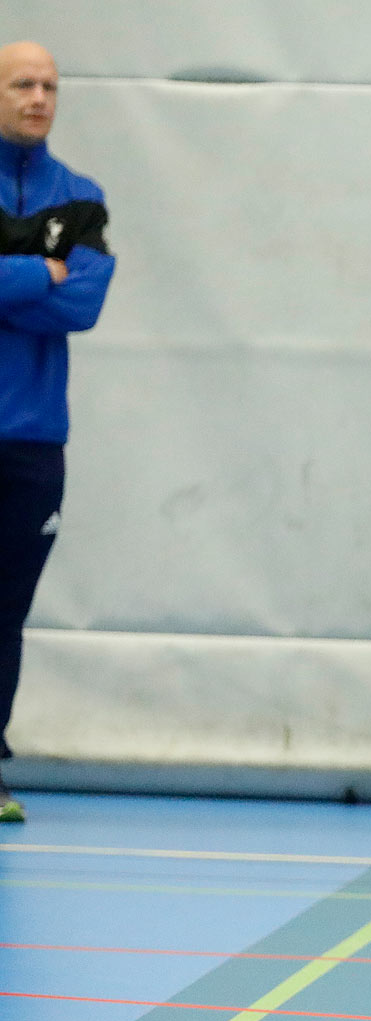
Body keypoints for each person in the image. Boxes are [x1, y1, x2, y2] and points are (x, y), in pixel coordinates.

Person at [0, 42, 114, 823]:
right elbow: (58, 291)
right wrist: (40, 271)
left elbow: (85, 306)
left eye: (49, 86)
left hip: (35, 442)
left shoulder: (81, 199)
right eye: (21, 84)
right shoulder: (56, 241)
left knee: (4, 611)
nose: (38, 97)